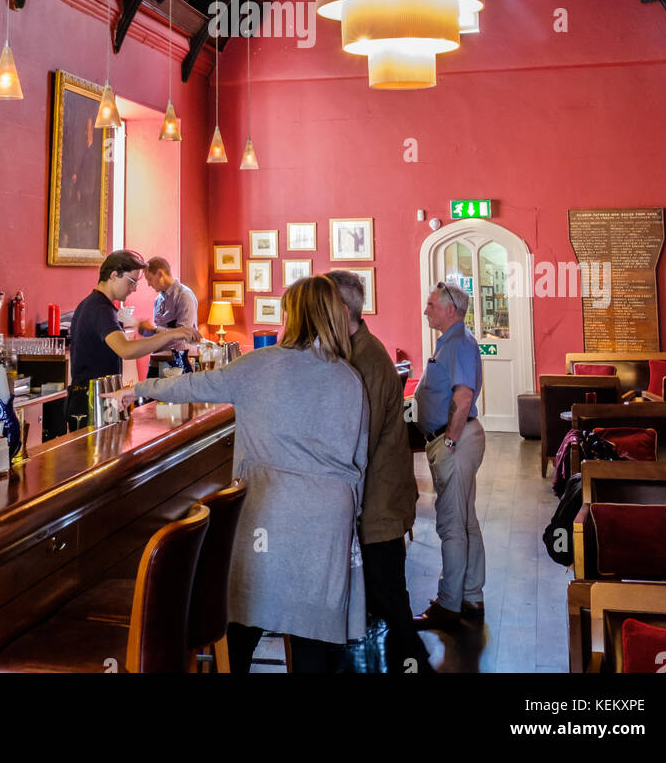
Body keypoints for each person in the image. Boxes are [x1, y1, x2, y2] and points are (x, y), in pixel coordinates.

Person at [124, 275, 369, 674]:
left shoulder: (259, 365)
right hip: (327, 515)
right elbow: (359, 460)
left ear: (293, 315)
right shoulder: (348, 378)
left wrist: (138, 389)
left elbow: (193, 385)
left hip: (269, 507)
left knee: (246, 616)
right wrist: (350, 516)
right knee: (312, 636)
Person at [326, 270, 432, 675]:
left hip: (378, 508)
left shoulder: (364, 360)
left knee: (389, 601)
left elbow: (356, 446)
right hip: (379, 502)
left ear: (339, 310)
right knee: (384, 601)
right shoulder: (357, 352)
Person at [413, 281, 486, 631]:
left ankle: (449, 605)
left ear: (450, 309)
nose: (426, 310)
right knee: (465, 521)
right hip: (455, 438)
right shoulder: (454, 341)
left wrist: (450, 442)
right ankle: (470, 595)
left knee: (451, 525)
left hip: (455, 441)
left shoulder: (457, 343)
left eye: (430, 304)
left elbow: (463, 396)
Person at [66, 250, 197, 424]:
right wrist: (172, 333)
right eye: (132, 281)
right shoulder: (101, 309)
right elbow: (126, 350)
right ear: (114, 275)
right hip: (92, 400)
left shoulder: (92, 304)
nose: (134, 288)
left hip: (93, 397)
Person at [139, 257, 198, 373]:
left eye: (150, 279)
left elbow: (184, 333)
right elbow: (158, 334)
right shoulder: (158, 300)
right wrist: (145, 330)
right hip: (157, 360)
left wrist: (154, 329)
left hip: (179, 363)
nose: (148, 284)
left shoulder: (184, 296)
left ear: (160, 273)